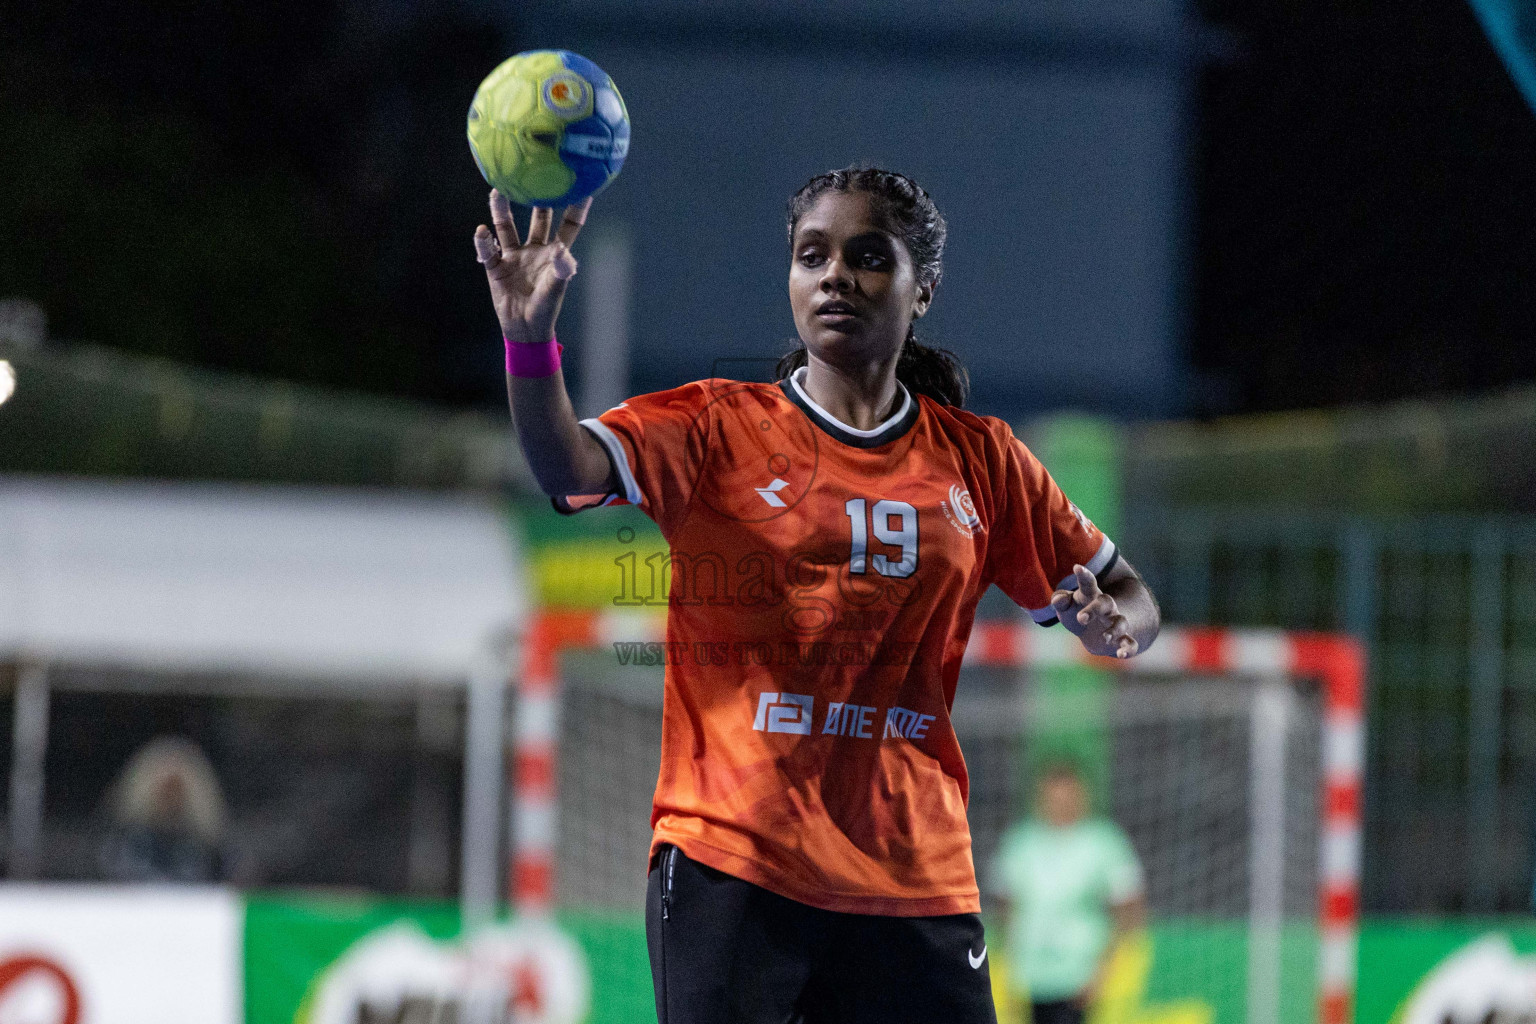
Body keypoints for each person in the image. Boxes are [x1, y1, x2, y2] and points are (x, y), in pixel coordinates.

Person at [473, 166, 1161, 1024]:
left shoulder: (983, 460)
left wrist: (1113, 629)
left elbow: (1128, 592)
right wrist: (528, 341)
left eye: (869, 257)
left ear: (923, 292)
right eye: (812, 255)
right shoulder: (715, 427)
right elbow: (562, 464)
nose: (835, 274)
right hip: (736, 861)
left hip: (915, 877)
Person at [989, 760, 1147, 1024]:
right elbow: (1004, 910)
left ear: (1082, 797)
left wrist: (1105, 972)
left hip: (1082, 980)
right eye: (1053, 797)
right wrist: (1006, 967)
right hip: (1028, 979)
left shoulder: (1105, 842)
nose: (1060, 803)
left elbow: (1129, 911)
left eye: (1067, 796)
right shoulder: (1019, 842)